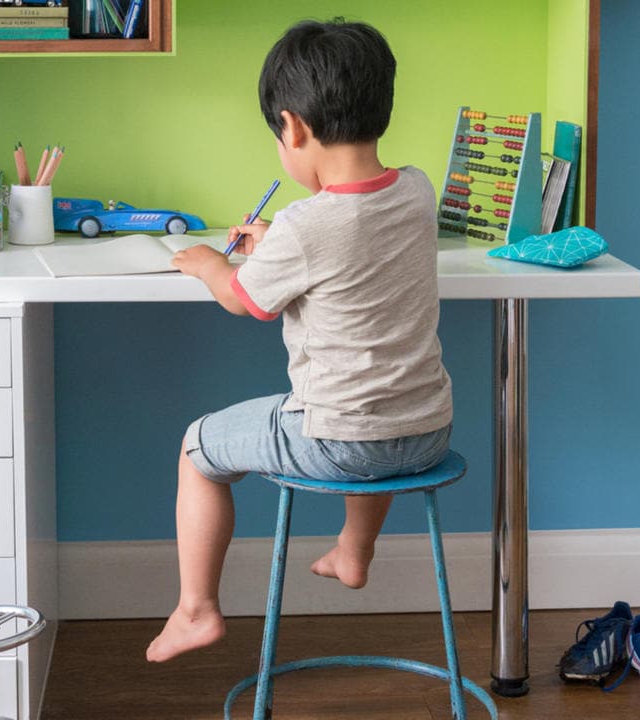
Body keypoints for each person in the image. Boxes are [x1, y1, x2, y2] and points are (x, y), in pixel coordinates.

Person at [146, 19, 454, 663]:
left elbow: (244, 300)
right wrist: (277, 249)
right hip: (426, 429)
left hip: (343, 442)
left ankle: (195, 610)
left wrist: (210, 263)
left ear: (292, 127)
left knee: (197, 448)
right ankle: (354, 549)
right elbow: (349, 250)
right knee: (376, 403)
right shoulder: (418, 190)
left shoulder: (303, 223)